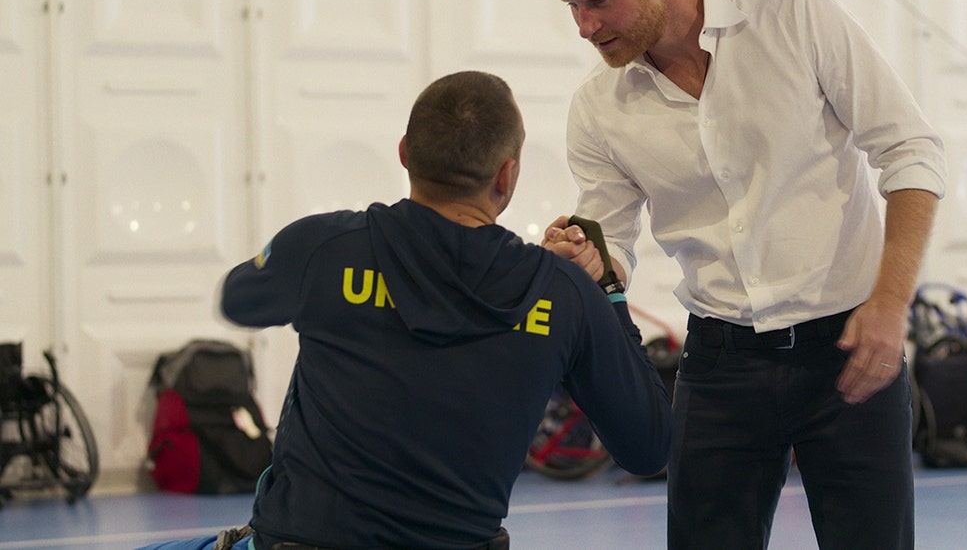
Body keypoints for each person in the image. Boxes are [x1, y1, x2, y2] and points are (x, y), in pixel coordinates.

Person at [535, 0, 947, 550]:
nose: (584, 25)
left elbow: (912, 152)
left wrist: (892, 305)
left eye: (597, 0)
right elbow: (612, 245)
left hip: (850, 352)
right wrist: (589, 257)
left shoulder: (800, 19)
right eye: (572, 7)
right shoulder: (597, 108)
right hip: (720, 366)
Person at [136, 70, 673, 550]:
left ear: (404, 153)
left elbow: (239, 299)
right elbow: (649, 448)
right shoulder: (563, 293)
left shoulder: (325, 248)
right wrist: (603, 292)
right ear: (506, 176)